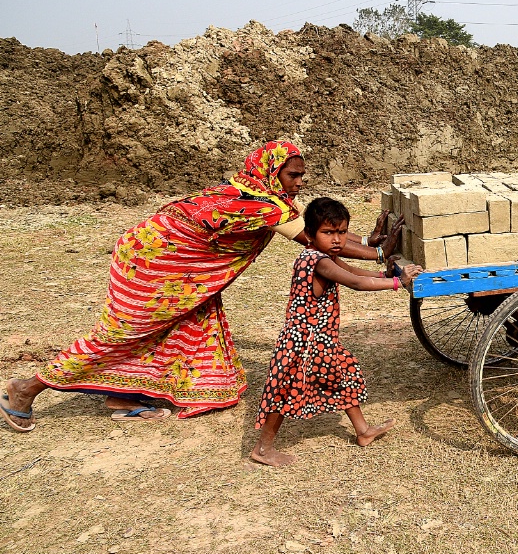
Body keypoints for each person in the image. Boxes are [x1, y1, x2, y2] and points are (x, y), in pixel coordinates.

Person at [1, 140, 404, 431]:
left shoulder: (257, 193)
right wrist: (382, 258)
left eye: (301, 175)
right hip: (156, 264)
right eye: (293, 174)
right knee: (122, 333)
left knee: (186, 326)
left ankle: (124, 393)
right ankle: (26, 389)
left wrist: (373, 245)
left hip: (170, 264)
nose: (299, 181)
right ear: (272, 171)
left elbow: (322, 235)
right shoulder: (263, 205)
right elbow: (316, 241)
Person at [250, 197, 422, 467]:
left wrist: (383, 274)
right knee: (284, 392)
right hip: (303, 343)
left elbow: (352, 269)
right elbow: (355, 282)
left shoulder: (325, 257)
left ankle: (363, 431)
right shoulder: (318, 261)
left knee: (344, 374)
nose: (337, 239)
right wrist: (398, 282)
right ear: (309, 234)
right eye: (328, 233)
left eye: (341, 232)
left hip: (320, 341)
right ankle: (262, 449)